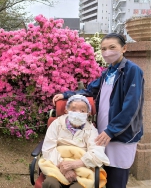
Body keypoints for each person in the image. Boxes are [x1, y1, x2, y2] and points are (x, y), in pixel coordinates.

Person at [52, 33, 144, 188]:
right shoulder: (108, 72)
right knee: (103, 176)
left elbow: (131, 106)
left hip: (121, 135)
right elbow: (89, 91)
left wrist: (112, 130)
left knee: (117, 179)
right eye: (103, 49)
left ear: (124, 48)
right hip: (103, 133)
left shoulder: (132, 71)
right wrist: (66, 95)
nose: (107, 52)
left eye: (112, 47)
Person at [40, 94, 110, 188]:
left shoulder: (91, 130)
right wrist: (65, 168)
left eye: (82, 110)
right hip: (58, 165)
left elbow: (97, 154)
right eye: (73, 109)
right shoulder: (56, 124)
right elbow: (48, 149)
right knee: (50, 184)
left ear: (88, 113)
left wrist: (74, 164)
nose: (78, 113)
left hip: (82, 168)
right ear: (66, 110)